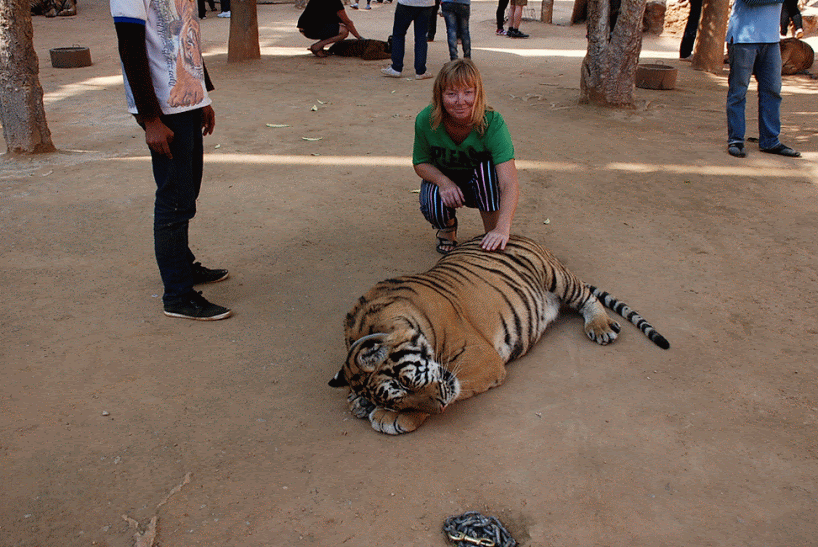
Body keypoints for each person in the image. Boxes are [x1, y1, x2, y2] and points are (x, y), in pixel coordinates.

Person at [111, 0, 233, 320]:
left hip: (188, 100)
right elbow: (130, 47)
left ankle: (184, 266)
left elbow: (186, 34)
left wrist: (202, 95)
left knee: (188, 191)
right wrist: (150, 119)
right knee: (174, 200)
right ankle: (177, 294)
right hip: (163, 108)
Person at [413, 60, 520, 253]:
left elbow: (509, 183)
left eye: (468, 92)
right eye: (451, 93)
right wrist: (443, 181)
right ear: (440, 95)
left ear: (478, 93)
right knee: (432, 199)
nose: (460, 101)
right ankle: (447, 229)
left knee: (488, 170)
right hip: (448, 184)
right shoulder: (426, 120)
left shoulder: (492, 122)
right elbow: (420, 163)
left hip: (479, 184)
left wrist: (503, 229)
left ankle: (491, 231)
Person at [726, 0, 800, 158]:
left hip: (771, 40)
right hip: (743, 38)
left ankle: (770, 140)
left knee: (772, 91)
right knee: (738, 91)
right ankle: (736, 140)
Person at [380, 0, 436, 79]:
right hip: (426, 4)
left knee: (398, 34)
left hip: (406, 3)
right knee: (421, 37)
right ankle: (421, 71)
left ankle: (396, 67)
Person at [298, 0, 364, 58]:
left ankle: (320, 47)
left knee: (336, 27)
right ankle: (317, 46)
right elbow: (347, 22)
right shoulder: (335, 1)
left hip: (306, 27)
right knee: (344, 31)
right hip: (310, 29)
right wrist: (359, 37)